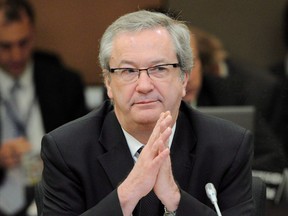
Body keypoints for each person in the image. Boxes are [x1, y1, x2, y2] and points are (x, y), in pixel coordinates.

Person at [40, 10, 254, 215]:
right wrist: (127, 194)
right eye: (128, 71)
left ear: (184, 79)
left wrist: (176, 200)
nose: (144, 85)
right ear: (108, 83)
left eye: (159, 68)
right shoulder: (66, 150)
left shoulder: (228, 147)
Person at [0, 0, 88, 215]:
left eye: (23, 43)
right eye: (5, 46)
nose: (16, 56)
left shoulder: (64, 83)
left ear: (33, 35)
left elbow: (85, 149)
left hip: (54, 199)